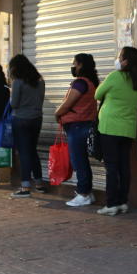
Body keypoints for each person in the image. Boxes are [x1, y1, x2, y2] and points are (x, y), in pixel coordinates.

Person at [95, 46, 137, 216]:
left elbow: (97, 94)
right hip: (128, 129)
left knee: (111, 167)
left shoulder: (115, 76)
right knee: (124, 167)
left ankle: (111, 204)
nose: (118, 60)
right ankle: (123, 202)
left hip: (110, 127)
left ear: (126, 61)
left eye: (120, 57)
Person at [55, 53, 100, 207]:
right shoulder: (91, 82)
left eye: (74, 63)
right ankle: (88, 193)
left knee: (78, 161)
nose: (73, 66)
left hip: (77, 127)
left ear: (80, 65)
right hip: (83, 125)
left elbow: (68, 104)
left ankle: (83, 194)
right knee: (82, 162)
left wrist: (57, 113)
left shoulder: (80, 83)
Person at [8, 54, 46, 197]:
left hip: (21, 119)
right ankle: (39, 183)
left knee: (23, 152)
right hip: (36, 119)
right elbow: (40, 100)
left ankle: (25, 187)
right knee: (32, 150)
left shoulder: (17, 82)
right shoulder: (39, 80)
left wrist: (11, 94)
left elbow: (14, 104)